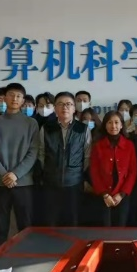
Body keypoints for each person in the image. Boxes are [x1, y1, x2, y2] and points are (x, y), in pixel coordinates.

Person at [0, 83, 39, 247]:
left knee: (26, 227)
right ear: (5, 97)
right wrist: (4, 175)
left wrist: (15, 174)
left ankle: (26, 258)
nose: (14, 98)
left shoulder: (32, 123)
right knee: (0, 227)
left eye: (18, 96)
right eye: (11, 95)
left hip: (23, 183)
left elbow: (33, 152)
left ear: (23, 100)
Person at [38, 91, 91, 226]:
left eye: (68, 104)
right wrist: (49, 171)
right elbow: (41, 153)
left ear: (74, 108)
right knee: (51, 223)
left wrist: (78, 174)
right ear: (55, 108)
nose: (64, 107)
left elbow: (87, 156)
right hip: (51, 184)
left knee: (72, 222)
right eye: (60, 104)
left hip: (74, 184)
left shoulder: (83, 129)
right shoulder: (46, 128)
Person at [91, 111, 137, 227]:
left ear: (121, 125)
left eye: (116, 122)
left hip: (122, 195)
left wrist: (121, 194)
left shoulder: (129, 145)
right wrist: (105, 195)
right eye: (110, 123)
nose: (113, 126)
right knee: (105, 229)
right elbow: (94, 172)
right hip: (103, 195)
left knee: (120, 229)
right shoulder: (98, 146)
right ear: (105, 125)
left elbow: (132, 172)